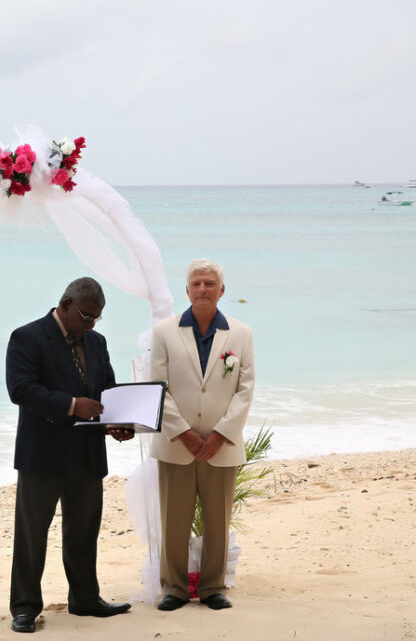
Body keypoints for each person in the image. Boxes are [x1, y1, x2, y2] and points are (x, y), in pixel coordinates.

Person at [5, 277, 134, 634]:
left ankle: (85, 599)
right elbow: (21, 390)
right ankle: (25, 607)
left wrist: (116, 424)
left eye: (96, 318)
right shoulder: (26, 337)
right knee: (32, 535)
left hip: (87, 454)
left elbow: (105, 391)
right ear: (64, 305)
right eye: (87, 316)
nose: (91, 324)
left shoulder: (97, 342)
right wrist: (72, 405)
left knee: (84, 531)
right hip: (42, 454)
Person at [149, 258, 254, 612]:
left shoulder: (241, 334)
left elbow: (245, 389)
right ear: (187, 291)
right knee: (174, 520)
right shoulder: (164, 331)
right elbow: (157, 388)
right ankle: (174, 588)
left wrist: (220, 435)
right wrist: (186, 435)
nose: (203, 289)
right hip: (177, 444)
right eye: (196, 283)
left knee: (218, 519)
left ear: (222, 290)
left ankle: (212, 587)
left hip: (221, 446)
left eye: (210, 283)